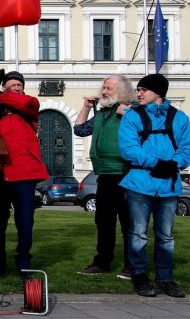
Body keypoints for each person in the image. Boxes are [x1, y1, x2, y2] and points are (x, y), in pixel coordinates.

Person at [119, 74, 190, 298]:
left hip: (168, 186)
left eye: (143, 90)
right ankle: (139, 275)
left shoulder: (179, 118)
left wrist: (174, 163)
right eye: (138, 90)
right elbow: (128, 148)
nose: (139, 93)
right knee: (138, 234)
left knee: (166, 236)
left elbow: (188, 146)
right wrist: (157, 163)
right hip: (140, 184)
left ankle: (165, 278)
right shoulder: (132, 117)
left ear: (158, 92)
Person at [0, 69, 49, 278]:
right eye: (12, 85)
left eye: (19, 85)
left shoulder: (30, 102)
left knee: (25, 222)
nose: (17, 88)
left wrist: (1, 94)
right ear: (5, 87)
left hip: (24, 173)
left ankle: (24, 262)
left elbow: (25, 104)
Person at [74, 75, 135, 279]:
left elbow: (146, 126)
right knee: (103, 221)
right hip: (105, 174)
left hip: (126, 173)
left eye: (108, 88)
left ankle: (132, 264)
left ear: (122, 91)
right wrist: (85, 107)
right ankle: (102, 262)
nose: (104, 92)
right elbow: (80, 130)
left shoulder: (133, 109)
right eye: (104, 88)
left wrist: (127, 113)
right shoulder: (102, 114)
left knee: (128, 223)